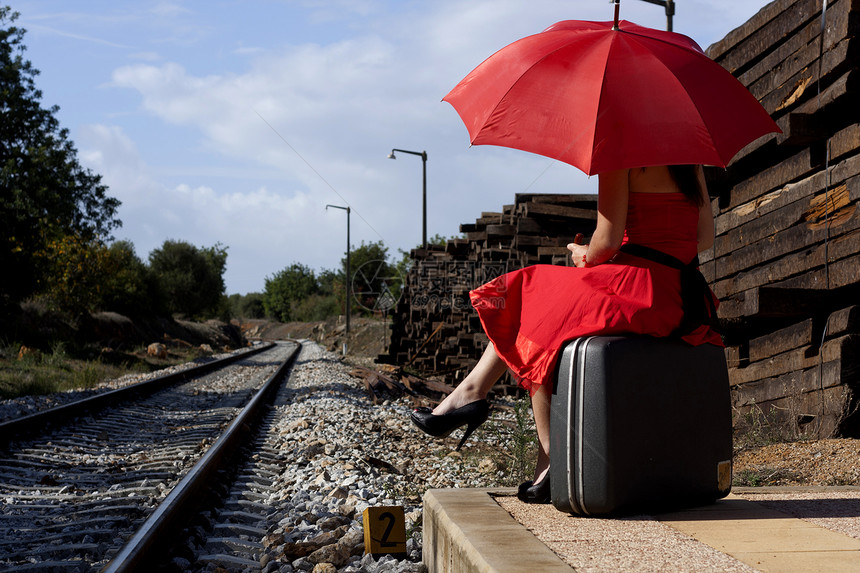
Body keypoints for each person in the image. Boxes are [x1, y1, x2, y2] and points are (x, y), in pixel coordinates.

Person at [410, 164, 722, 503]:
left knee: (526, 293)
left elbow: (608, 241)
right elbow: (703, 238)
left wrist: (584, 254)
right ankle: (483, 404)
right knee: (547, 305)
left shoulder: (624, 154)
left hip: (637, 289)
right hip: (681, 295)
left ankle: (543, 450)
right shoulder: (689, 159)